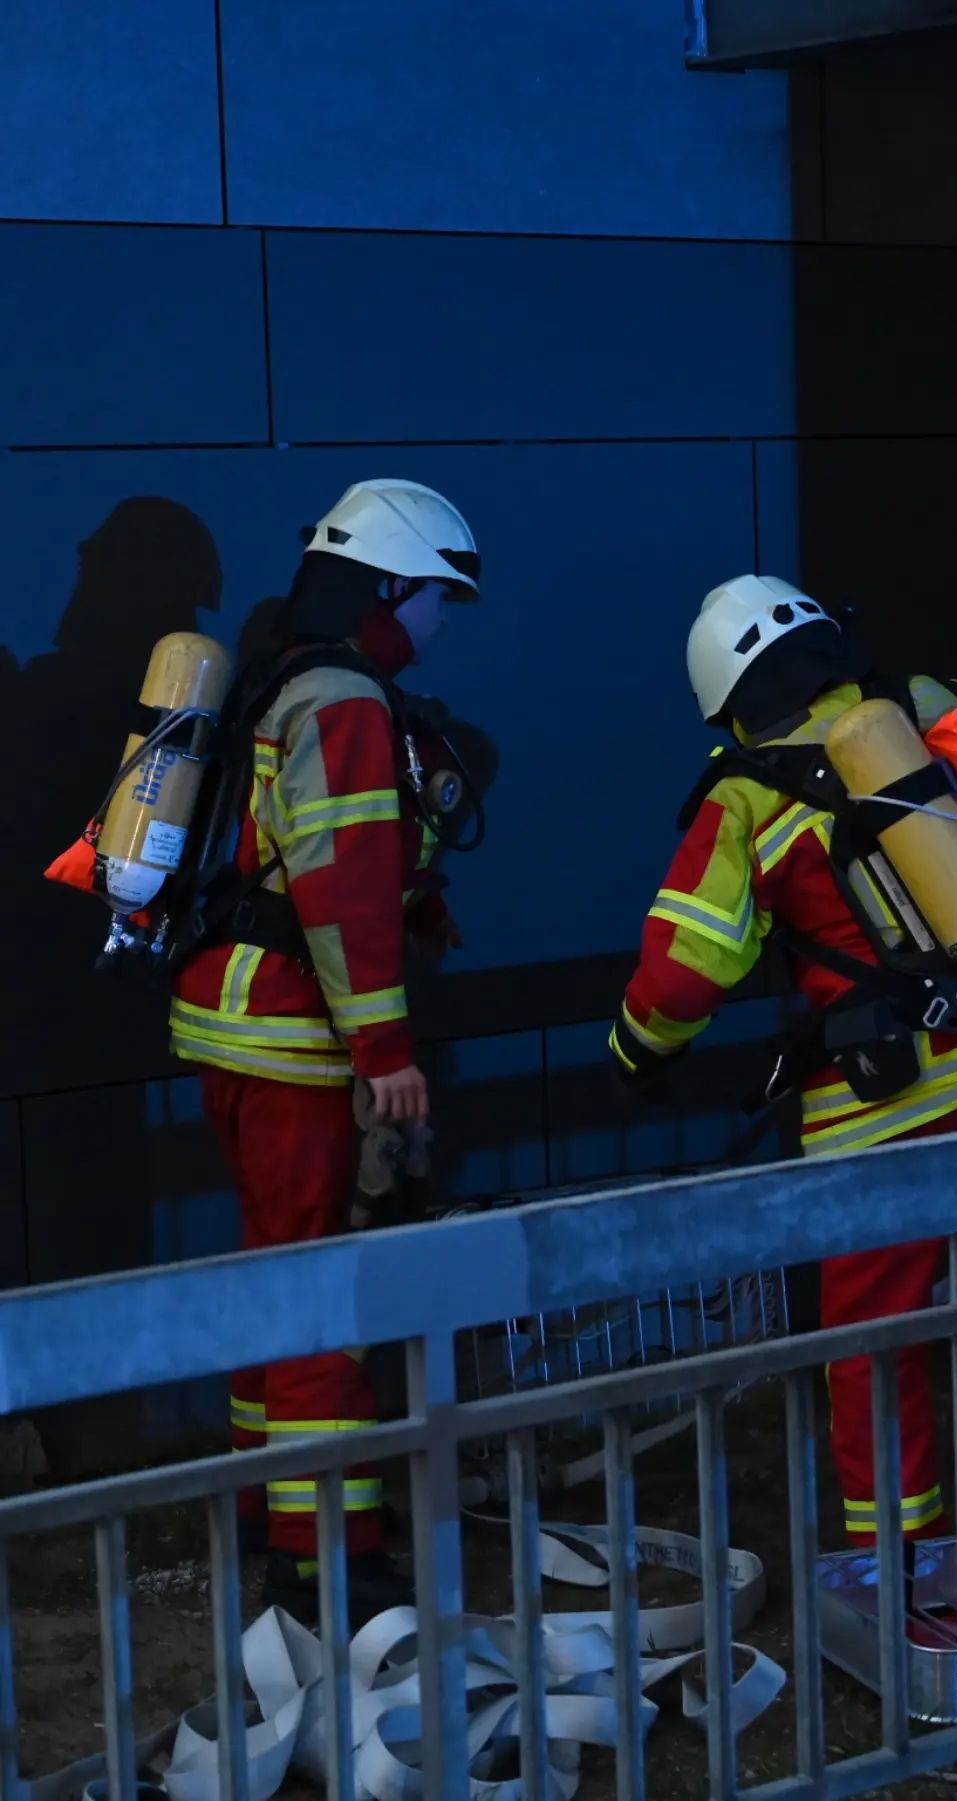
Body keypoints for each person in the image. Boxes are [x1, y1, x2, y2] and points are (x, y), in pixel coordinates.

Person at [609, 574, 957, 1543]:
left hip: (879, 1117)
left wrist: (634, 1050)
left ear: (728, 701)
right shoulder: (934, 708)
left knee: (875, 1351)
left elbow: (680, 979)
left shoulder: (746, 797)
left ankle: (899, 1570)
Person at [170, 478, 481, 1618]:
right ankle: (328, 1556)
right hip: (294, 1034)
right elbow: (340, 886)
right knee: (319, 1286)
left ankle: (265, 1507)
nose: (441, 620)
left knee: (273, 1263)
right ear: (390, 587)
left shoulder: (282, 676)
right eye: (437, 596)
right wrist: (385, 1050)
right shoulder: (345, 697)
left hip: (230, 1020)